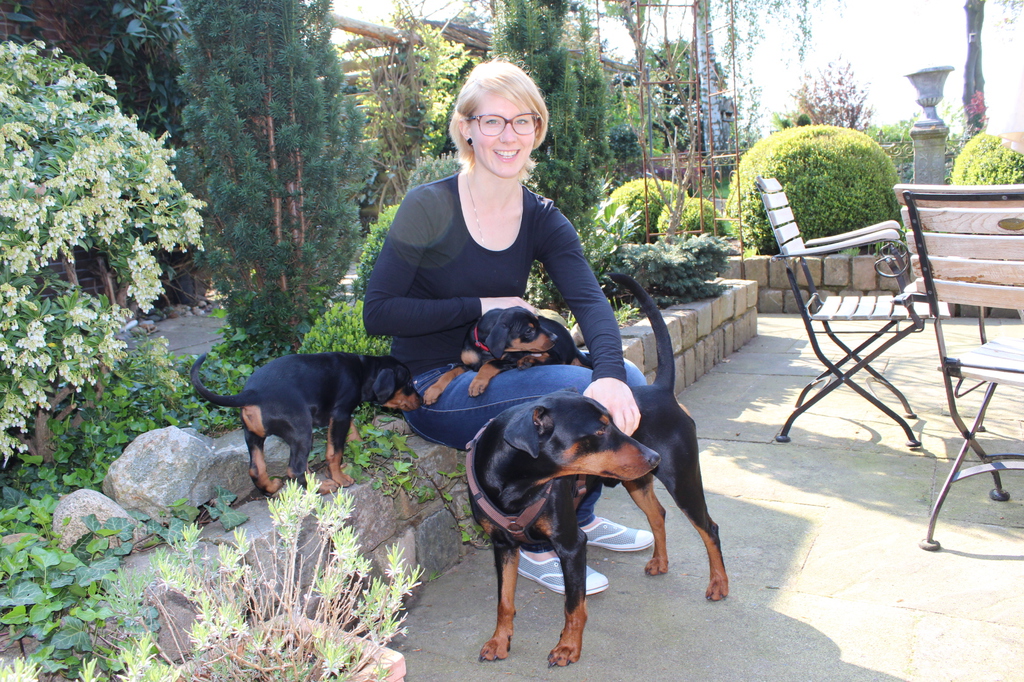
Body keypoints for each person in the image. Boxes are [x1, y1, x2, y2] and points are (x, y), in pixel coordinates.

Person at [363, 60, 652, 595]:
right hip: (433, 386)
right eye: (492, 121)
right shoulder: (428, 206)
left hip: (500, 374)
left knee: (626, 378)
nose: (508, 135)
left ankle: (579, 518)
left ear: (536, 130)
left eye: (522, 121)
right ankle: (535, 544)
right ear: (466, 128)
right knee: (575, 392)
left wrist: (611, 372)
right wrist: (480, 304)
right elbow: (377, 312)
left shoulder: (541, 217)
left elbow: (590, 302)